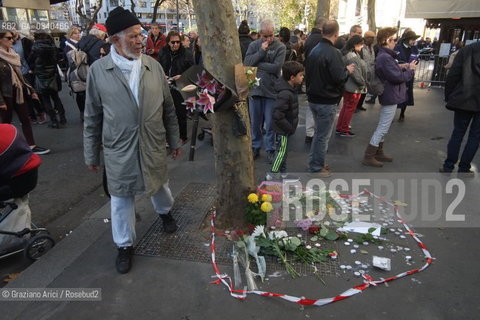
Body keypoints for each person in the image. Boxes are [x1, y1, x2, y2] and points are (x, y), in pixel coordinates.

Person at [84, 7, 181, 274]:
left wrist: (174, 140)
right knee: (121, 197)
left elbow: (169, 109)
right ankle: (124, 246)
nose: (141, 41)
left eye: (141, 35)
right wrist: (91, 154)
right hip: (119, 146)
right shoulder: (98, 71)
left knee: (159, 184)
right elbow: (92, 115)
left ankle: (165, 213)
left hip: (152, 141)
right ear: (115, 40)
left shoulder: (153, 66)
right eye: (133, 36)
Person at [305, 20, 354, 177]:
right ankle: (316, 166)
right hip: (326, 100)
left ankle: (315, 162)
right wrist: (347, 71)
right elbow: (339, 77)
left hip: (314, 98)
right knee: (322, 136)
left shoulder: (315, 50)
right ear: (336, 34)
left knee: (319, 135)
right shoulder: (333, 53)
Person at [362, 27, 416, 167]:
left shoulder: (385, 56)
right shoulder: (385, 57)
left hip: (391, 93)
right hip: (390, 94)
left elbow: (393, 71)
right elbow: (396, 76)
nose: (395, 42)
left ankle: (378, 152)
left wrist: (403, 66)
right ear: (387, 40)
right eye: (394, 39)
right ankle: (369, 155)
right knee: (383, 126)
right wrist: (409, 70)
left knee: (384, 125)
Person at [0, 30, 50, 155]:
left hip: (18, 91)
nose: (12, 40)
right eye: (8, 38)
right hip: (5, 94)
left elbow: (19, 75)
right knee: (6, 124)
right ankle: (5, 149)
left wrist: (30, 90)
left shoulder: (12, 54)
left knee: (25, 119)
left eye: (13, 38)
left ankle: (31, 145)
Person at [244, 19, 286, 162]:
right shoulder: (254, 45)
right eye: (265, 36)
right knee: (255, 122)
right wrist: (261, 52)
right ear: (260, 33)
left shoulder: (280, 47)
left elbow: (276, 67)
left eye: (271, 35)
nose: (268, 39)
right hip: (255, 89)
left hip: (272, 90)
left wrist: (259, 65)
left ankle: (270, 148)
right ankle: (255, 146)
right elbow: (247, 63)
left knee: (270, 123)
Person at [440, 41, 480, 177]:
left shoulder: (466, 50)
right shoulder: (466, 50)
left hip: (464, 98)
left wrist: (449, 95)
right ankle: (463, 168)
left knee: (457, 133)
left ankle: (448, 166)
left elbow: (453, 75)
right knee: (475, 137)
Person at [267, 61, 304, 180]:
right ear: (292, 78)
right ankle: (271, 175)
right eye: (301, 75)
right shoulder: (285, 93)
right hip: (283, 129)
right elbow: (277, 115)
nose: (302, 77)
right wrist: (289, 127)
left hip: (285, 128)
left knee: (284, 152)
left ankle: (283, 174)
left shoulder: (290, 89)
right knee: (281, 152)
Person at [158, 30, 194, 145]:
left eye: (178, 42)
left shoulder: (186, 53)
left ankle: (182, 136)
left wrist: (182, 76)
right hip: (165, 85)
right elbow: (159, 66)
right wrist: (162, 75)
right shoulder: (163, 52)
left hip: (180, 86)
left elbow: (192, 71)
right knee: (166, 113)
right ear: (168, 42)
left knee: (180, 112)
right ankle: (168, 137)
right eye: (173, 42)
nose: (175, 45)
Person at [28, 32, 66, 128]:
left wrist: (33, 69)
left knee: (46, 99)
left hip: (41, 76)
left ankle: (54, 121)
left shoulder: (35, 47)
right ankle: (62, 118)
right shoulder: (52, 46)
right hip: (52, 74)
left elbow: (30, 60)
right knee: (56, 97)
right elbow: (58, 58)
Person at [11, 30, 47, 124]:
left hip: (27, 71)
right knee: (24, 96)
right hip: (15, 73)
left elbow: (33, 55)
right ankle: (31, 116)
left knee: (32, 93)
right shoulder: (7, 44)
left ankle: (41, 112)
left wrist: (32, 68)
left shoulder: (25, 41)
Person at [336, 35, 367, 137]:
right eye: (361, 44)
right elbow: (356, 74)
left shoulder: (348, 54)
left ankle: (340, 127)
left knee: (346, 107)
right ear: (355, 44)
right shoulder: (352, 56)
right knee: (349, 108)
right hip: (353, 87)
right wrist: (362, 83)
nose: (362, 46)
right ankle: (344, 129)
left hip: (349, 85)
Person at [303, 17, 326, 143]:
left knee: (311, 104)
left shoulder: (310, 38)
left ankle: (309, 132)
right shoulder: (321, 40)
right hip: (319, 75)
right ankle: (313, 132)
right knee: (318, 105)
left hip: (309, 73)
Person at [395, 30, 420, 122]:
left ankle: (402, 113)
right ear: (406, 39)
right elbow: (393, 60)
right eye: (412, 39)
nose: (414, 41)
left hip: (409, 75)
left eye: (415, 39)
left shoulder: (415, 49)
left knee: (406, 94)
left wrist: (415, 63)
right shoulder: (397, 47)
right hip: (398, 74)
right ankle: (391, 112)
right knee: (395, 93)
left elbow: (417, 59)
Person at [363, 31, 378, 105]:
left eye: (373, 38)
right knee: (361, 90)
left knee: (365, 91)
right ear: (366, 38)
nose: (372, 40)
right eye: (371, 38)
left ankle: (360, 105)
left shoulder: (372, 47)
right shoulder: (362, 47)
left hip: (371, 72)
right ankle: (357, 105)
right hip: (364, 72)